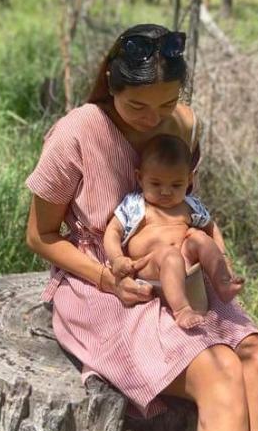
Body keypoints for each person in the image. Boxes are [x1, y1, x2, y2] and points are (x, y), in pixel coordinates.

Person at [25, 23, 258, 431]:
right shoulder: (75, 134)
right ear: (110, 82)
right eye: (137, 103)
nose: (151, 117)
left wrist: (209, 261)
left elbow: (187, 211)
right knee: (219, 376)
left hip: (182, 277)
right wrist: (107, 276)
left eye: (166, 102)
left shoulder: (182, 126)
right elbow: (40, 237)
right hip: (107, 287)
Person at [103, 132, 245, 328]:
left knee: (200, 237)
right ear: (140, 177)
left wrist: (222, 256)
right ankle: (182, 310)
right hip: (151, 266)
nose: (166, 191)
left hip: (186, 264)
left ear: (188, 180)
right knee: (169, 255)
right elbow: (113, 232)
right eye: (156, 183)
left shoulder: (189, 205)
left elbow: (211, 227)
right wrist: (117, 259)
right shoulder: (136, 205)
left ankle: (222, 282)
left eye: (176, 185)